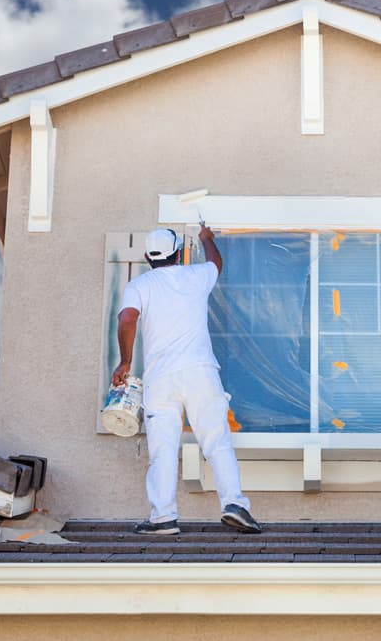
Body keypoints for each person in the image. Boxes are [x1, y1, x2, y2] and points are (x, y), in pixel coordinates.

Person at [111, 225, 261, 535]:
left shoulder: (139, 285)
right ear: (178, 254)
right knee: (216, 441)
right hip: (200, 372)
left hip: (160, 379)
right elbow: (216, 263)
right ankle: (235, 505)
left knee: (162, 449)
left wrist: (125, 362)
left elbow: (127, 319)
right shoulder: (196, 276)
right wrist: (207, 240)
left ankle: (163, 517)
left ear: (146, 258)